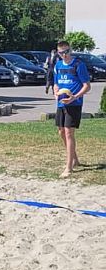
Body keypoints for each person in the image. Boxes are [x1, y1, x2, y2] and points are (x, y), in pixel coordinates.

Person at [53, 41, 91, 178]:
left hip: (74, 103)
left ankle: (68, 167)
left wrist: (74, 97)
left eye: (67, 51)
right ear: (58, 53)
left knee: (69, 133)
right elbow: (56, 83)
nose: (65, 55)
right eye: (61, 53)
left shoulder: (78, 65)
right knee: (61, 132)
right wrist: (55, 92)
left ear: (70, 50)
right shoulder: (58, 65)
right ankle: (75, 159)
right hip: (61, 103)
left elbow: (87, 86)